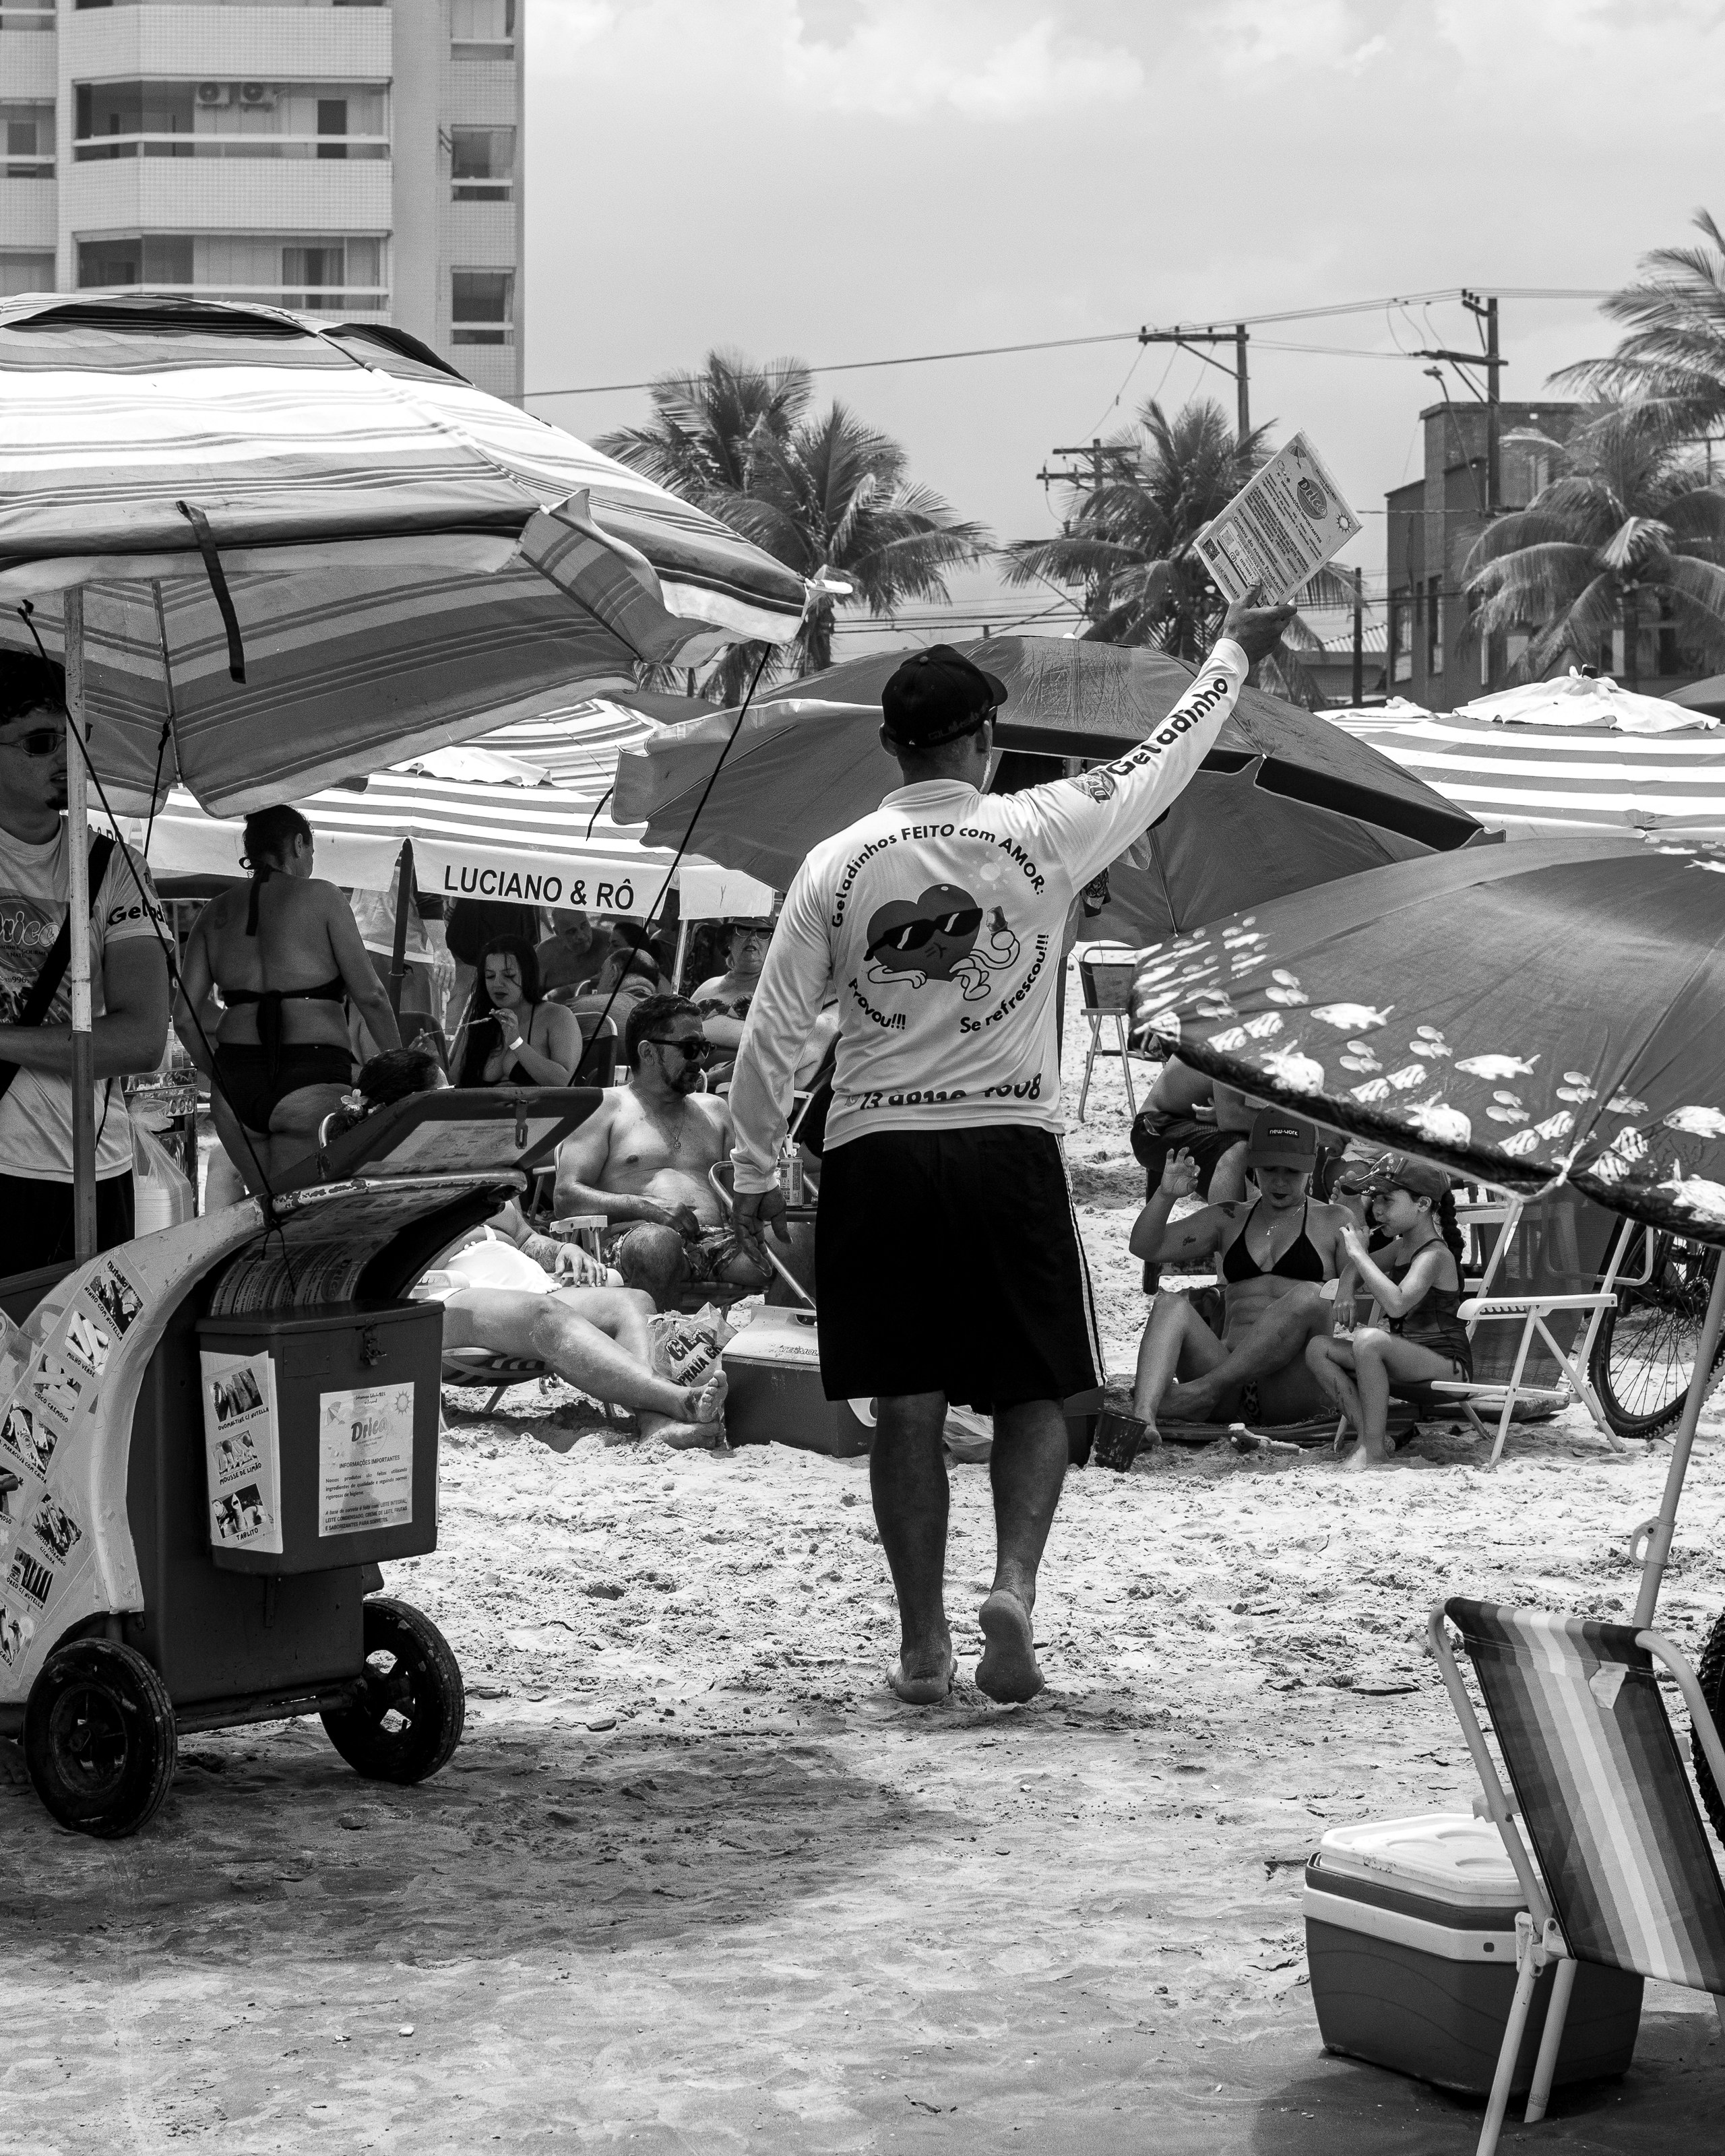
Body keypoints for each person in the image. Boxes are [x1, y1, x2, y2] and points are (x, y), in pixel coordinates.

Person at [725, 595, 1295, 1707]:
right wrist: (1232, 649)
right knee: (1037, 1386)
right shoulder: (1042, 826)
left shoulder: (835, 864)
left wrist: (754, 1170)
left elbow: (773, 1033)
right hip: (1006, 1148)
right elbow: (1164, 760)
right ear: (983, 743)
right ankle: (1016, 1591)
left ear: (891, 748)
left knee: (908, 1402)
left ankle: (924, 1645)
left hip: (879, 1152)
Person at [327, 1050, 728, 1446]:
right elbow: (382, 1263)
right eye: (442, 1094)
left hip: (522, 1288)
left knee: (632, 1301)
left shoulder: (479, 1161)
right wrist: (467, 1237)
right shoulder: (377, 1177)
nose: (456, 1102)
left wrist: (560, 1252)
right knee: (544, 1315)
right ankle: (677, 1400)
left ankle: (654, 1423)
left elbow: (524, 1237)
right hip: (439, 1295)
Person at [0, 654, 169, 1267]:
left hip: (96, 1173)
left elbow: (142, 1040)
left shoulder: (114, 867)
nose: (65, 758)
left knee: (90, 1363)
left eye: (75, 737)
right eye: (41, 742)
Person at [175, 806, 400, 1195]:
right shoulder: (323, 897)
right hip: (309, 1073)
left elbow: (184, 1017)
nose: (312, 861)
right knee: (306, 1218)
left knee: (268, 1215)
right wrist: (402, 1070)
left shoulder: (214, 914)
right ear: (298, 844)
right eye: (311, 851)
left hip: (234, 1086)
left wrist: (218, 1076)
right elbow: (372, 996)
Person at [1121, 1112, 1353, 1457]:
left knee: (1310, 1294)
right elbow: (1146, 1247)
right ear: (1252, 1165)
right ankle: (1144, 1419)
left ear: (1309, 1167)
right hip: (1227, 1386)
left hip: (1291, 1388)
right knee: (1170, 1303)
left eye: (1291, 1172)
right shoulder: (1229, 1218)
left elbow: (1358, 1282)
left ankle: (1200, 1393)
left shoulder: (1334, 1219)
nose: (1278, 1182)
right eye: (1269, 1170)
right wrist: (1166, 1195)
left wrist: (1345, 1277)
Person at [552, 991, 772, 1308]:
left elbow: (739, 1193)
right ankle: (657, 1350)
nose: (700, 1059)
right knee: (658, 1242)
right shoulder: (606, 1107)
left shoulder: (715, 1110)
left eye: (704, 1048)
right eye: (690, 1048)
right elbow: (565, 1198)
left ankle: (777, 1350)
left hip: (717, 1241)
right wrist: (648, 1208)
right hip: (635, 1238)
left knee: (795, 1239)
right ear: (649, 1053)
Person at [1307, 1154, 1471, 1471]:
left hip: (1447, 1367)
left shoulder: (1435, 1256)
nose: (1377, 1210)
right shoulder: (1400, 1247)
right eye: (1375, 1200)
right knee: (1318, 1348)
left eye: (1387, 1200)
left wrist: (1358, 1252)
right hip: (1403, 1359)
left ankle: (1372, 1450)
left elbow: (1397, 1303)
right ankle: (1372, 1436)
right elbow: (1353, 1272)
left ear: (1423, 1204)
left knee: (1369, 1340)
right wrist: (1345, 1288)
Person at [451, 936, 582, 1089]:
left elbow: (565, 1082)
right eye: (490, 976)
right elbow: (456, 1079)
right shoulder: (481, 1018)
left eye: (509, 976)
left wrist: (517, 1043)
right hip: (484, 1110)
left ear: (528, 975)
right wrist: (433, 1056)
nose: (497, 984)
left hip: (538, 1111)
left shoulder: (557, 1016)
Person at [691, 918, 772, 1050]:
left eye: (763, 934)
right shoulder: (708, 986)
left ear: (771, 946)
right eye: (743, 931)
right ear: (729, 942)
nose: (752, 938)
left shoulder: (778, 991)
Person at [536, 910, 600, 998]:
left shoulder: (609, 945)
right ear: (557, 932)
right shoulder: (545, 953)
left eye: (584, 926)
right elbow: (530, 997)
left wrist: (567, 991)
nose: (581, 936)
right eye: (571, 931)